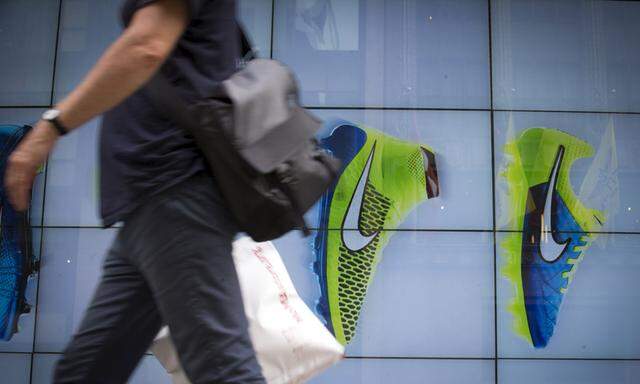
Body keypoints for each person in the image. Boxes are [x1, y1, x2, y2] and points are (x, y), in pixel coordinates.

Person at [5, 0, 265, 383]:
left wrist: (50, 127)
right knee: (85, 372)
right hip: (151, 205)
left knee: (224, 372)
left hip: (175, 193)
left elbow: (146, 46)